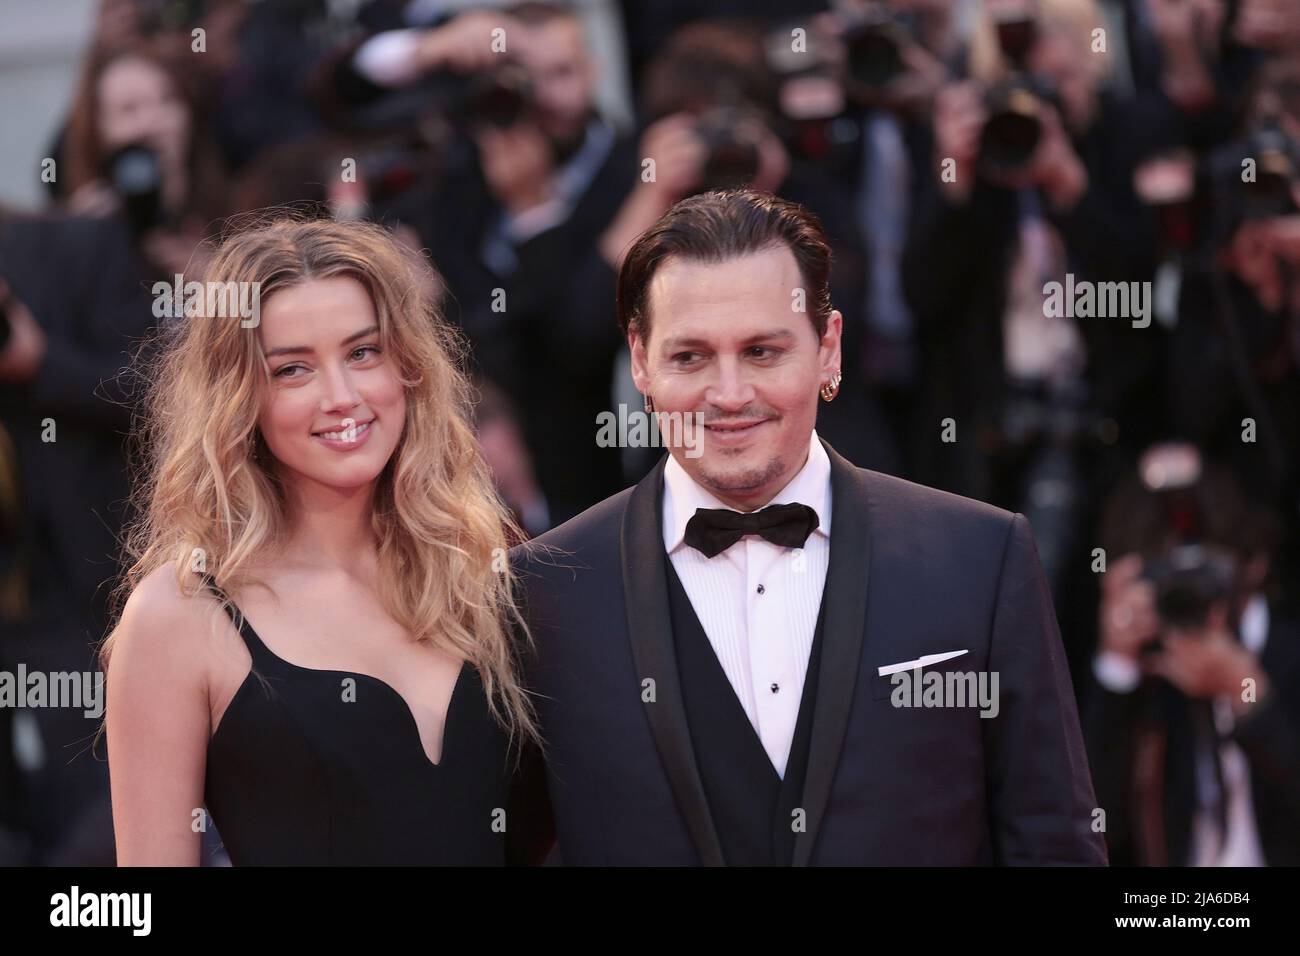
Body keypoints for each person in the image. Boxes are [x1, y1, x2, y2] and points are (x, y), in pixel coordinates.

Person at [513, 189, 1107, 865]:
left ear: (829, 349)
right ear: (641, 361)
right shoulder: (544, 590)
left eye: (763, 351)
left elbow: (1054, 843)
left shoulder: (979, 558)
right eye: (690, 357)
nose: (730, 394)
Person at [102, 216, 539, 865]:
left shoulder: (483, 567)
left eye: (363, 353)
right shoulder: (180, 615)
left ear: (408, 367)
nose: (341, 396)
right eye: (293, 370)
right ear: (240, 397)